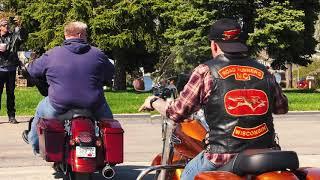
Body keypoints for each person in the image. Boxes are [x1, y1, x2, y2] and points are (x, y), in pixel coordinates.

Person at [139, 18, 288, 180]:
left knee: (188, 173)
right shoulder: (264, 71)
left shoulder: (206, 71)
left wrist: (153, 101)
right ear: (241, 43)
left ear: (214, 45)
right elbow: (281, 107)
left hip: (222, 156)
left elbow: (177, 113)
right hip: (265, 153)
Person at [25, 21, 114, 154]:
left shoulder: (52, 54)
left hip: (58, 106)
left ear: (66, 35)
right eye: (86, 34)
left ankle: (36, 146)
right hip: (93, 105)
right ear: (80, 34)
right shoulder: (98, 54)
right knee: (109, 123)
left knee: (39, 112)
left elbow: (31, 70)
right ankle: (109, 151)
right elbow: (111, 72)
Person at [0, 17, 23, 124]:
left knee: (11, 93)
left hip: (11, 68)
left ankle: (12, 116)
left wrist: (18, 26)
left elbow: (20, 38)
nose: (7, 27)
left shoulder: (12, 36)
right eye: (4, 25)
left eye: (7, 25)